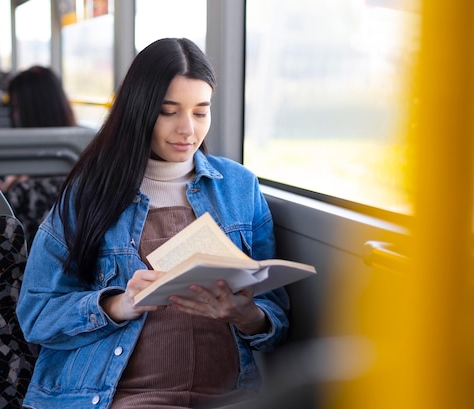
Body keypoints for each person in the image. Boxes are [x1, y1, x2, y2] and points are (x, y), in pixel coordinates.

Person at [16, 38, 290, 409]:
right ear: (140, 111)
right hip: (121, 397)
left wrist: (248, 316)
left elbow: (274, 318)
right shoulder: (88, 193)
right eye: (168, 111)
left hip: (229, 395)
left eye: (200, 112)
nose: (188, 130)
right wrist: (119, 305)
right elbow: (36, 315)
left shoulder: (241, 188)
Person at [0, 66, 78, 193]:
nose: (15, 116)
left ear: (36, 110)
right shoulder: (73, 149)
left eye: (18, 108)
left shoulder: (45, 172)